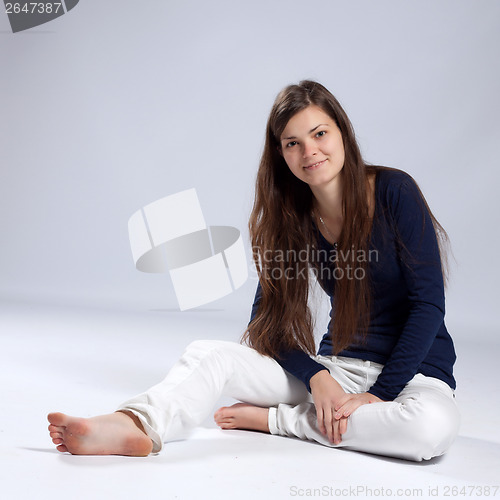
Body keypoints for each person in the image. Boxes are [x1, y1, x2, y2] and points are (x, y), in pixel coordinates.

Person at [47, 80, 460, 461]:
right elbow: (269, 326)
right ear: (281, 154)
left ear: (343, 134)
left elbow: (428, 304)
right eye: (292, 143)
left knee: (428, 431)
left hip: (416, 374)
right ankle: (136, 424)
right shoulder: (292, 219)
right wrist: (317, 378)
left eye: (320, 134)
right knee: (208, 355)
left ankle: (276, 421)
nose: (309, 151)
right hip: (339, 370)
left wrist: (380, 395)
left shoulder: (393, 191)